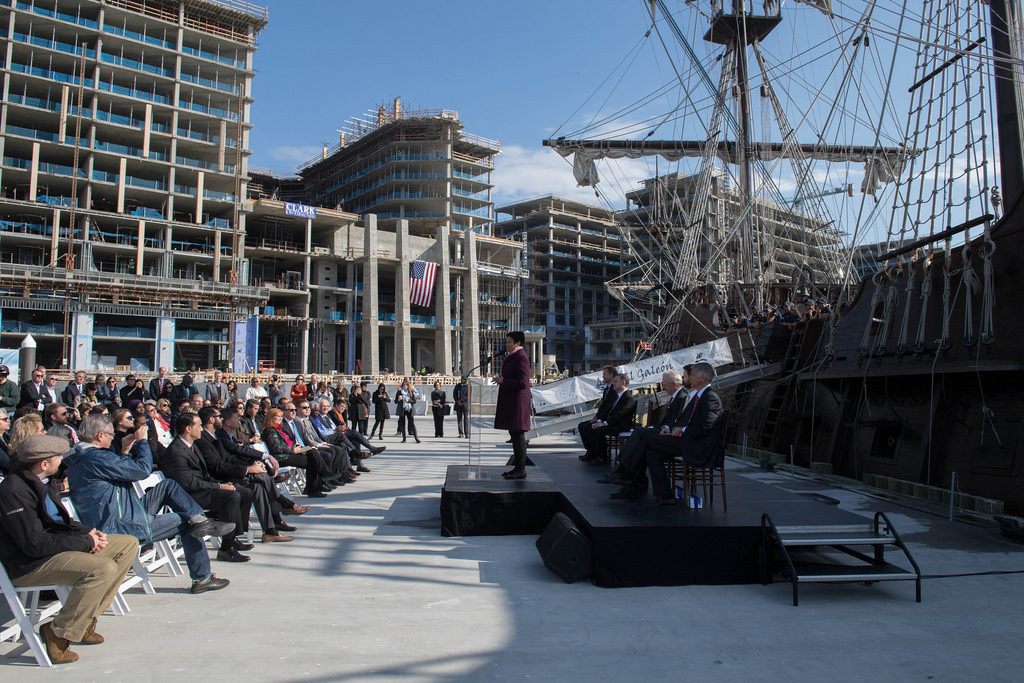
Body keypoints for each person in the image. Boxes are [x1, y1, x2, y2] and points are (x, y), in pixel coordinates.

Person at [0, 434, 138, 664]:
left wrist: (88, 533)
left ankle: (82, 621)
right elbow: (34, 544)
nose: (61, 461)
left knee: (127, 545)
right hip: (29, 565)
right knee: (102, 568)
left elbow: (59, 521)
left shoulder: (38, 481)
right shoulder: (13, 491)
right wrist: (84, 543)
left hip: (52, 550)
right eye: (58, 457)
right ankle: (58, 632)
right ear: (44, 463)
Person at [63, 414, 233, 595]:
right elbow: (141, 470)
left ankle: (200, 520)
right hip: (121, 525)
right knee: (187, 523)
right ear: (100, 436)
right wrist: (143, 442)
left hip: (118, 513)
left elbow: (116, 473)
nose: (113, 438)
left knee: (168, 486)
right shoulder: (96, 458)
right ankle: (202, 577)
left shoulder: (82, 457)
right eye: (111, 435)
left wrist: (124, 451)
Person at [160, 413, 254, 562]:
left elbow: (204, 474)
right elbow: (190, 484)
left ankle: (233, 536)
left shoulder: (192, 446)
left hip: (201, 488)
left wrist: (222, 484)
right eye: (198, 426)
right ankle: (226, 549)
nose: (202, 429)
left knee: (243, 491)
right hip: (187, 496)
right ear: (188, 429)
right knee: (231, 496)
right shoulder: (176, 452)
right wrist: (219, 486)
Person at [195, 407, 293, 543]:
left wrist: (251, 466)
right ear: (212, 419)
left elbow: (230, 458)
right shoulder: (205, 440)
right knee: (261, 478)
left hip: (231, 473)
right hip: (221, 479)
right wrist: (248, 469)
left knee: (258, 486)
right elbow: (218, 466)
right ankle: (283, 503)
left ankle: (270, 531)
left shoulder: (214, 436)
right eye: (219, 417)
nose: (222, 419)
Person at [603, 369, 692, 500]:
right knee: (644, 448)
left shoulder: (683, 396)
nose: (663, 387)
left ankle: (624, 471)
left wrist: (667, 427)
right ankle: (632, 481)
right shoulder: (675, 397)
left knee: (641, 437)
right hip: (666, 429)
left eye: (665, 385)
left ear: (674, 384)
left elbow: (678, 419)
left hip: (674, 435)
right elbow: (670, 420)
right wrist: (665, 426)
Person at [643, 362, 724, 505]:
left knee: (647, 438)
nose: (689, 378)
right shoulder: (699, 396)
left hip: (699, 447)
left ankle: (630, 476)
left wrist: (683, 430)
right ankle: (665, 495)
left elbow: (706, 426)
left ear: (702, 377)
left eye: (692, 375)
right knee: (652, 454)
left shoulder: (710, 398)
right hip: (687, 441)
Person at [262, 407, 332, 498]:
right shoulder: (269, 430)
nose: (280, 419)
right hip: (281, 457)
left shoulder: (277, 429)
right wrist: (293, 450)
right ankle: (316, 484)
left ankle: (321, 476)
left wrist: (294, 448)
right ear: (271, 418)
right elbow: (277, 447)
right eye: (277, 416)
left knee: (312, 452)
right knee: (312, 460)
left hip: (287, 453)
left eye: (281, 417)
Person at [494, 331, 532, 480]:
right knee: (514, 434)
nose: (507, 344)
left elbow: (523, 382)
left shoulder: (521, 357)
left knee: (518, 434)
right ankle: (517, 467)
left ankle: (521, 469)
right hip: (511, 400)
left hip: (518, 402)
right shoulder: (513, 356)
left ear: (517, 343)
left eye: (509, 342)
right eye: (507, 341)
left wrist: (504, 381)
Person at [580, 373, 636, 465]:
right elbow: (606, 409)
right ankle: (592, 453)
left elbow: (619, 414)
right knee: (586, 426)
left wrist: (604, 423)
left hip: (620, 426)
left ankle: (602, 456)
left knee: (598, 430)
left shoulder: (628, 398)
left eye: (616, 381)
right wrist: (599, 420)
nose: (613, 383)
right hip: (611, 423)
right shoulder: (616, 396)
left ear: (623, 383)